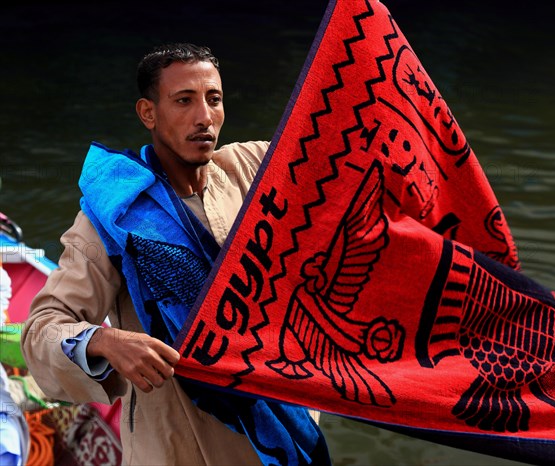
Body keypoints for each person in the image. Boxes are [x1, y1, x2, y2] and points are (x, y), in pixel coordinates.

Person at [21, 43, 328, 465]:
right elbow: (40, 331)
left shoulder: (253, 170)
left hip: (285, 422)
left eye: (213, 99)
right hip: (177, 445)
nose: (204, 117)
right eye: (184, 100)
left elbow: (338, 149)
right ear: (148, 113)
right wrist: (105, 340)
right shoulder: (114, 215)